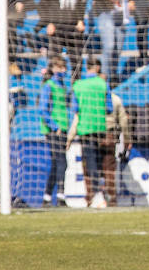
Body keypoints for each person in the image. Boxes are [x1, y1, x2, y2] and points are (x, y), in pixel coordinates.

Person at [68, 58, 113, 208]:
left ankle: (96, 195)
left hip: (85, 127)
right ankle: (100, 193)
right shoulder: (103, 84)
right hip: (100, 127)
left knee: (91, 162)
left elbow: (75, 109)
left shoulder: (78, 85)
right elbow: (109, 108)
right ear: (98, 68)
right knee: (99, 161)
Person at [38, 54, 74, 207]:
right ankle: (60, 195)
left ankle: (46, 197)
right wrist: (54, 126)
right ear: (53, 69)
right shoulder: (49, 86)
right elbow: (43, 109)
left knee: (55, 163)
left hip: (63, 127)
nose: (63, 70)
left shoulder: (63, 87)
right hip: (54, 130)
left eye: (64, 67)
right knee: (62, 162)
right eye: (60, 67)